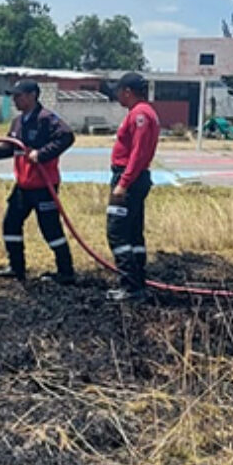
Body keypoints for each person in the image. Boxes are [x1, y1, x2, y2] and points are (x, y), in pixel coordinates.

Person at [0, 80, 76, 284]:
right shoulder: (18, 122)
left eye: (18, 96)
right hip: (24, 185)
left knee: (50, 229)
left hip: (44, 186)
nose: (15, 100)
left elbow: (67, 137)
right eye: (14, 96)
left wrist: (42, 154)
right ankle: (16, 268)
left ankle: (66, 272)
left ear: (32, 96)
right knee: (11, 223)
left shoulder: (46, 119)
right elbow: (10, 148)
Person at [106, 71, 160, 302]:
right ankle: (138, 280)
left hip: (129, 179)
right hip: (133, 178)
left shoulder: (140, 115)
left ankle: (130, 286)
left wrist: (123, 184)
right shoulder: (142, 113)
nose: (117, 96)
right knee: (133, 232)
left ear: (127, 91)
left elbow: (138, 154)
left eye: (118, 91)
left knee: (117, 232)